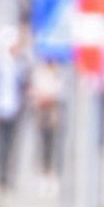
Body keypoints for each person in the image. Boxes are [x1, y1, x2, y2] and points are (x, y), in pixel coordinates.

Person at [0, 27, 30, 190]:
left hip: (15, 109)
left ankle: (9, 176)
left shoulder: (20, 64)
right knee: (0, 145)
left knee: (12, 145)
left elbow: (24, 84)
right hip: (0, 109)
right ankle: (0, 176)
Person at [28, 56, 65, 184]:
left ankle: (52, 169)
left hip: (53, 110)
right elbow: (34, 92)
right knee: (42, 141)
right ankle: (42, 169)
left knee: (53, 141)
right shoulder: (39, 73)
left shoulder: (58, 74)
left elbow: (59, 93)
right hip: (41, 110)